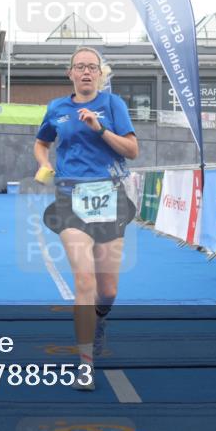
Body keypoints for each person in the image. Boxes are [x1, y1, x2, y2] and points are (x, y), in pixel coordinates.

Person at [33, 46, 139, 390]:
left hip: (108, 194)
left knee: (107, 290)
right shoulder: (57, 108)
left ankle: (100, 317)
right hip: (69, 195)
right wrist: (44, 164)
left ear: (100, 74)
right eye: (80, 67)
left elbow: (132, 151)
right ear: (71, 73)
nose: (87, 72)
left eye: (92, 67)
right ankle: (85, 363)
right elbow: (41, 142)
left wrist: (99, 130)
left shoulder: (113, 106)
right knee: (84, 280)